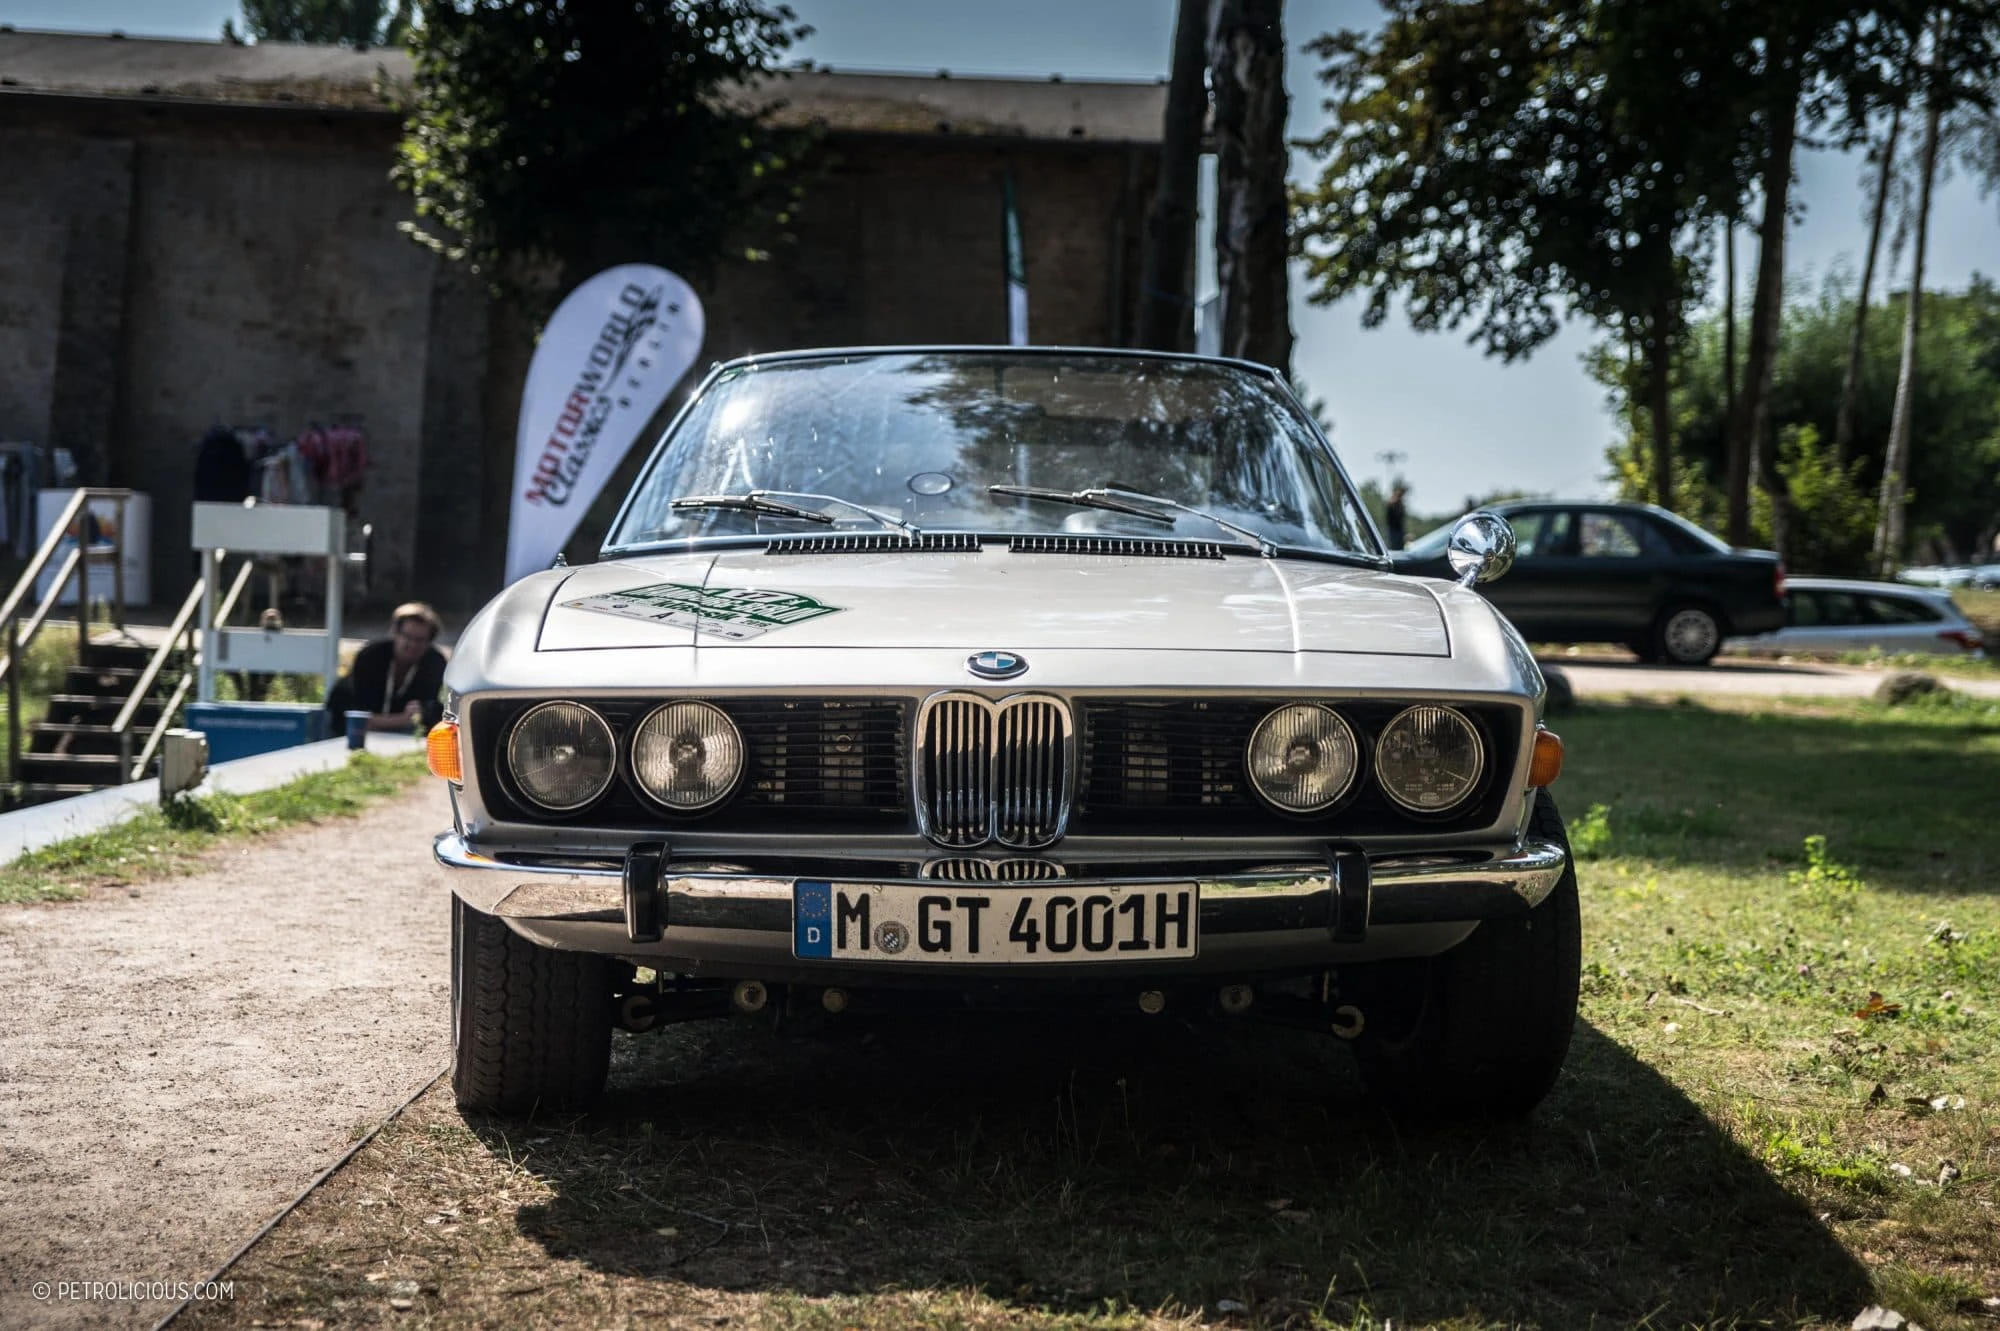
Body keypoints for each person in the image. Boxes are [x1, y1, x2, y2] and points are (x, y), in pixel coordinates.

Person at [324, 602, 448, 734]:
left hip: (404, 732)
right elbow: (358, 717)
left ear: (429, 642)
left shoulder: (435, 663)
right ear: (394, 633)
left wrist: (417, 715)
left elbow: (426, 712)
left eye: (419, 640)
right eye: (407, 637)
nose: (412, 645)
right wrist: (402, 720)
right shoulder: (371, 656)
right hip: (345, 725)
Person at [1384, 483, 1409, 550]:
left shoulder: (1401, 505)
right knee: (1393, 548)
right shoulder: (1392, 503)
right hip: (1392, 531)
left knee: (1400, 548)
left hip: (1399, 532)